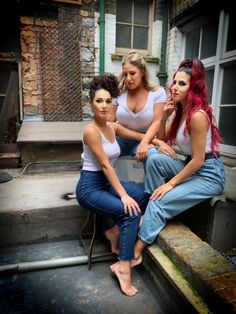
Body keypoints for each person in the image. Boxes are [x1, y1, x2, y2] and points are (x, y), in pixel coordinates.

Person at [131, 58, 226, 267]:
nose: (174, 87)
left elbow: (200, 160)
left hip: (209, 174)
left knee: (159, 200)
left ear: (194, 87)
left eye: (182, 84)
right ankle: (154, 208)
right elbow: (163, 143)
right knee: (154, 156)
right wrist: (165, 117)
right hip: (191, 165)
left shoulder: (198, 116)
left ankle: (136, 252)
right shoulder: (181, 111)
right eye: (175, 82)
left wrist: (169, 184)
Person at [76, 73, 164, 296]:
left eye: (108, 101)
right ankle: (124, 267)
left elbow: (137, 135)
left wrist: (158, 141)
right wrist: (124, 195)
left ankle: (114, 232)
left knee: (146, 194)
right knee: (131, 212)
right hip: (89, 188)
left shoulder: (112, 128)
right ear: (90, 104)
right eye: (99, 101)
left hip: (106, 185)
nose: (104, 106)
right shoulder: (90, 131)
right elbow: (105, 166)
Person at [109, 50, 167, 162]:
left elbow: (157, 122)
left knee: (154, 157)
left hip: (146, 138)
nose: (128, 78)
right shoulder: (118, 94)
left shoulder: (157, 93)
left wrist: (145, 142)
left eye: (132, 73)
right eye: (125, 74)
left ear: (142, 71)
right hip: (120, 140)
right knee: (101, 152)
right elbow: (110, 121)